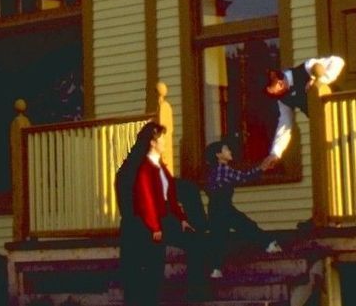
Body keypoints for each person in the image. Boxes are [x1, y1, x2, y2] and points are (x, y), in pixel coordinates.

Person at [116, 120, 190, 306]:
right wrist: (154, 226)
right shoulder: (140, 168)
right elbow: (145, 198)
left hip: (158, 221)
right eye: (162, 139)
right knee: (142, 270)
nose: (165, 142)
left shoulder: (160, 167)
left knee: (154, 268)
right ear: (152, 142)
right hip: (141, 225)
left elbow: (169, 195)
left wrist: (180, 218)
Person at [199, 136, 280, 280]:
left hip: (214, 208)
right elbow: (244, 177)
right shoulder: (223, 169)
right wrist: (261, 168)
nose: (230, 151)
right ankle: (268, 244)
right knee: (246, 225)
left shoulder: (212, 171)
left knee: (218, 237)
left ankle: (215, 269)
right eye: (226, 149)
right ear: (218, 155)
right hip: (223, 206)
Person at [260, 55, 345, 168]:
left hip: (343, 112)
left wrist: (321, 81)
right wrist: (275, 153)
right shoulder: (282, 99)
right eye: (273, 94)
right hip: (326, 127)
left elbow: (338, 61)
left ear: (278, 80)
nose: (276, 94)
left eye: (275, 89)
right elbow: (285, 125)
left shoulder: (307, 68)